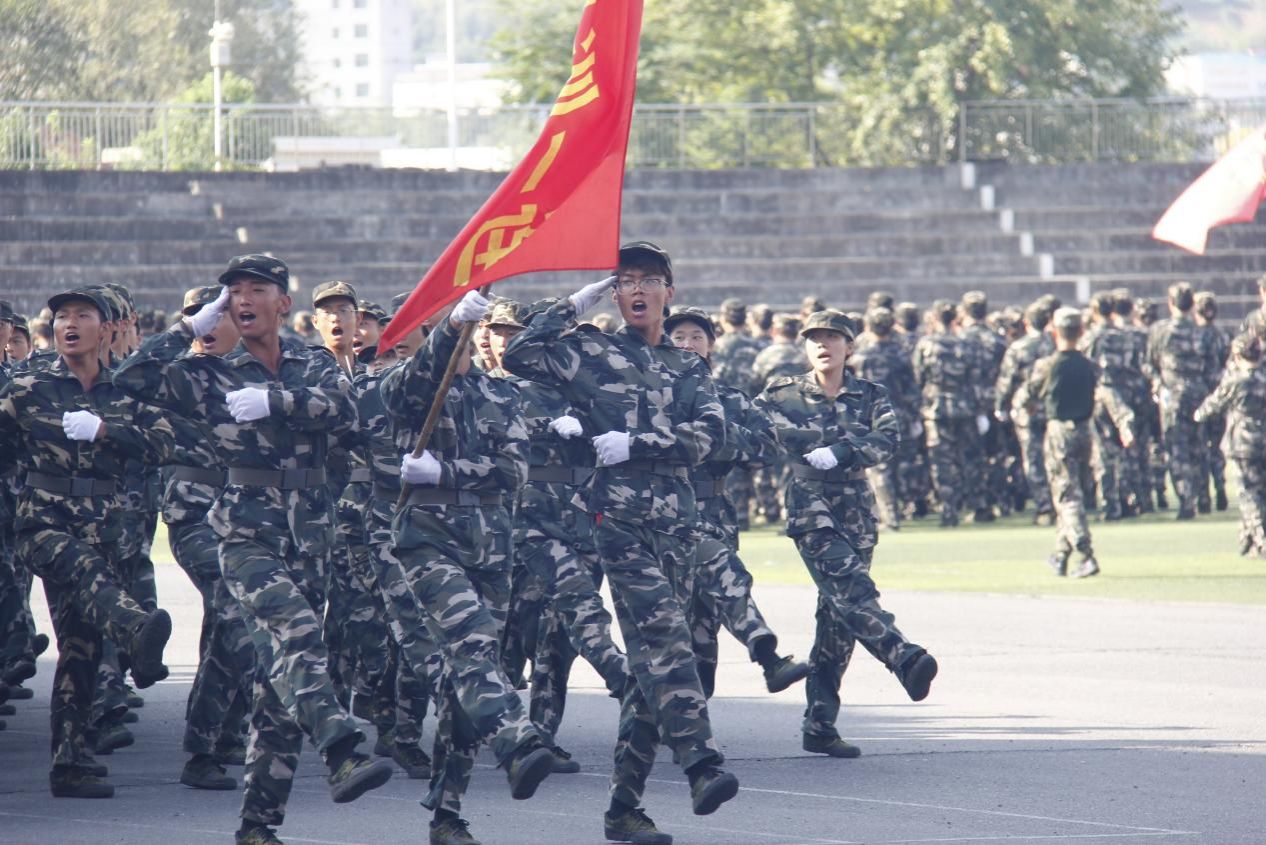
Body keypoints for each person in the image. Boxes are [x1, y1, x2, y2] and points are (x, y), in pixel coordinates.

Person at [114, 255, 393, 845]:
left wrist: (278, 402)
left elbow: (347, 411)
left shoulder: (313, 363)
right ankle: (340, 744)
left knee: (277, 686)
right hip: (245, 532)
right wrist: (187, 329)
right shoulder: (209, 373)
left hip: (309, 536)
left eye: (256, 289)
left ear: (283, 303)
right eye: (233, 291)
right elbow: (129, 380)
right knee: (299, 635)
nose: (242, 298)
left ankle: (257, 824)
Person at [503, 242, 739, 845]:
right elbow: (519, 353)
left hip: (676, 525)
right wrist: (573, 303)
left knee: (650, 666)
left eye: (648, 280)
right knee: (667, 637)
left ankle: (624, 806)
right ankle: (701, 761)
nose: (636, 289)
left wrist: (639, 443)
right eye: (625, 280)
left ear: (669, 292)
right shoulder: (591, 351)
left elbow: (709, 436)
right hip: (618, 521)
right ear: (614, 293)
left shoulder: (688, 366)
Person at [382, 289, 556, 845]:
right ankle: (515, 739)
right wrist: (447, 328)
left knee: (468, 678)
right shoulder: (406, 387)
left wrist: (448, 471)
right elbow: (413, 385)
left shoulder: (499, 393)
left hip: (490, 548)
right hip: (428, 541)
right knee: (474, 647)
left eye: (461, 328)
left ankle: (447, 811)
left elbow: (514, 470)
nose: (456, 339)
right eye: (443, 329)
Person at [0, 286, 175, 799]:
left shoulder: (126, 390)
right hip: (44, 523)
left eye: (82, 315)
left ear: (107, 329)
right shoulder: (27, 386)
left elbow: (165, 443)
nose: (69, 324)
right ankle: (136, 629)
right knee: (86, 574)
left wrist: (106, 432)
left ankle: (70, 762)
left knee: (80, 645)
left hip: (105, 526)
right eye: (61, 317)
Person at [755, 310, 937, 758]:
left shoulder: (870, 395)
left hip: (855, 506)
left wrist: (843, 450)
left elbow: (888, 439)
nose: (823, 345)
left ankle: (820, 724)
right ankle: (901, 655)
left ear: (850, 347)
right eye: (815, 338)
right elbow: (750, 428)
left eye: (832, 338)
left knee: (837, 621)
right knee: (851, 587)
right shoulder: (783, 393)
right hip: (810, 503)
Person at [664, 306, 810, 699]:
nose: (688, 344)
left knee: (704, 626)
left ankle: (692, 713)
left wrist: (717, 435)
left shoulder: (729, 399)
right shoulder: (650, 394)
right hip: (665, 514)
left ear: (711, 345)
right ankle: (765, 653)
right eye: (679, 337)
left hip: (714, 510)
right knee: (677, 613)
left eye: (697, 336)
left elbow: (767, 449)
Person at [166, 286, 255, 791]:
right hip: (194, 516)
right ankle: (202, 747)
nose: (209, 326)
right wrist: (182, 332)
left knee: (228, 620)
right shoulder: (178, 374)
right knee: (233, 607)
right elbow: (129, 375)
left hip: (246, 517)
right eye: (198, 318)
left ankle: (226, 733)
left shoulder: (252, 373)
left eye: (216, 316)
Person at [1028, 308, 1134, 578]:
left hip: (1059, 432)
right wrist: (1124, 423)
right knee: (1070, 492)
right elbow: (1108, 393)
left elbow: (1028, 394)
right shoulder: (1090, 365)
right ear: (1081, 332)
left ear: (1055, 333)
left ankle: (1086, 554)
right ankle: (1061, 553)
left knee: (1067, 495)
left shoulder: (1047, 365)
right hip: (1085, 432)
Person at [1147, 282, 1220, 520]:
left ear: (1171, 303)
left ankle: (1186, 500)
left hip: (1173, 397)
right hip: (1199, 394)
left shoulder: (1160, 331)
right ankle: (1203, 495)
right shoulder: (1203, 333)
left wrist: (1159, 383)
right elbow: (1213, 370)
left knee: (1177, 449)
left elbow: (1149, 363)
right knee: (1200, 446)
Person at [912, 299, 984, 527]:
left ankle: (949, 510)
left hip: (936, 409)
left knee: (941, 462)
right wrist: (980, 410)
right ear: (956, 318)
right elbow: (976, 379)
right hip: (965, 407)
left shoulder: (926, 344)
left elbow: (918, 378)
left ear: (934, 318)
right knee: (969, 459)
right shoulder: (967, 343)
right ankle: (977, 506)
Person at [1195, 332, 1266, 557]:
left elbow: (1210, 407)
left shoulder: (1236, 382)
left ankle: (1261, 538)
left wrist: (1198, 414)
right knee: (1261, 490)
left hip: (1243, 443)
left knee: (1248, 494)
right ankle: (1247, 537)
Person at [851, 307, 920, 532]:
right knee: (903, 464)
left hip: (871, 417)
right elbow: (912, 388)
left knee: (880, 469)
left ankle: (890, 517)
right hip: (900, 414)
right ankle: (907, 506)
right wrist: (915, 414)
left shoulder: (861, 357)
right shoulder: (901, 354)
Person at [996, 300, 1056, 524]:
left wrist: (1000, 406)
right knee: (1056, 457)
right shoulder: (1056, 344)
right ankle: (1059, 501)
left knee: (1033, 459)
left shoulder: (1019, 348)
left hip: (1027, 410)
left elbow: (1006, 381)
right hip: (1053, 407)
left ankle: (1044, 506)